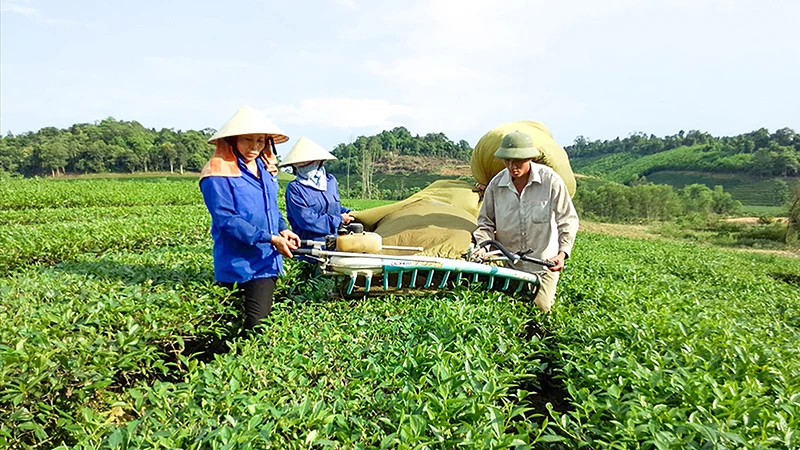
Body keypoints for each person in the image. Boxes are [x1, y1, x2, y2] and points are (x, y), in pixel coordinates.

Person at [199, 105, 301, 331]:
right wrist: (270, 238)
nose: (255, 147)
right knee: (234, 326)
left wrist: (282, 229)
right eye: (248, 140)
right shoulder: (217, 174)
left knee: (257, 324)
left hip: (266, 261)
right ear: (233, 140)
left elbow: (270, 207)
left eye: (260, 141)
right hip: (236, 262)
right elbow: (226, 219)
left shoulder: (266, 169)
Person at [473, 130, 579, 312]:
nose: (513, 166)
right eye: (508, 160)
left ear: (530, 158)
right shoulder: (496, 186)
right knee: (507, 310)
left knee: (541, 306)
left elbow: (567, 219)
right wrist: (482, 246)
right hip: (509, 264)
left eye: (518, 161)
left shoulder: (550, 181)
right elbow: (485, 223)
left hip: (544, 264)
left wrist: (562, 254)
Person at [280, 136, 354, 243]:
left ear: (319, 162)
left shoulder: (330, 181)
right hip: (310, 247)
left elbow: (333, 207)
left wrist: (349, 213)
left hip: (336, 242)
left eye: (308, 162)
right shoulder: (295, 188)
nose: (304, 166)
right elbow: (307, 220)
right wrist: (339, 220)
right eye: (299, 164)